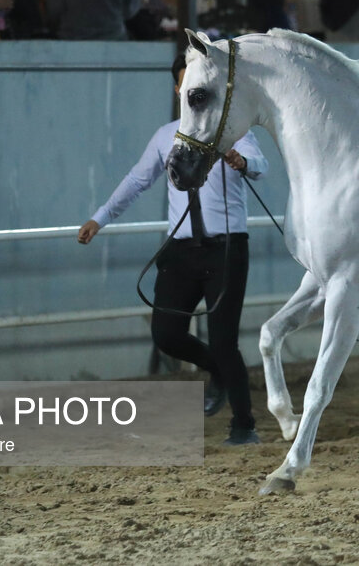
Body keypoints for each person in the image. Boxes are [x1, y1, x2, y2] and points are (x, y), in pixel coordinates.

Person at [77, 53, 269, 446]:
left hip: (225, 249)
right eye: (183, 82)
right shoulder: (165, 136)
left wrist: (241, 160)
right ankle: (220, 371)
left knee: (223, 337)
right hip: (181, 250)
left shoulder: (231, 130)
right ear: (177, 88)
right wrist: (100, 218)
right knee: (166, 334)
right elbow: (137, 180)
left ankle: (244, 423)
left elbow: (261, 164)